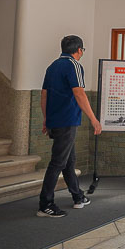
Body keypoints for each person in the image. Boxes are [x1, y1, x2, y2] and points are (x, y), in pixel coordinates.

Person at [38, 35, 102, 217]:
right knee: (58, 162)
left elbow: (44, 95)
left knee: (68, 161)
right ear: (79, 50)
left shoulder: (52, 67)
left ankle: (78, 196)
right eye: (83, 51)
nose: (82, 54)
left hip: (55, 120)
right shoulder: (74, 65)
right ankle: (45, 204)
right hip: (67, 121)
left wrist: (45, 118)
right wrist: (93, 119)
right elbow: (79, 94)